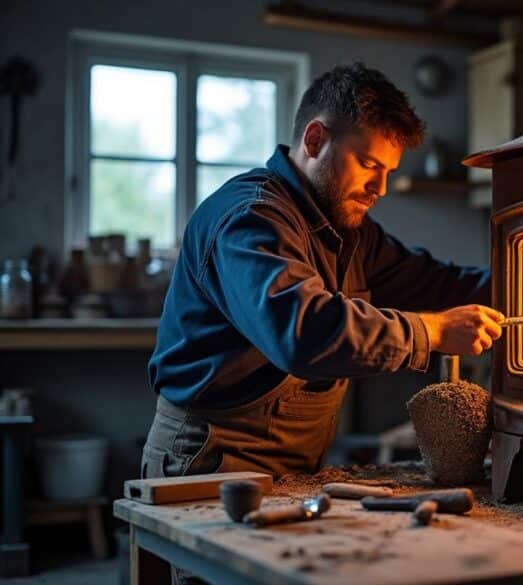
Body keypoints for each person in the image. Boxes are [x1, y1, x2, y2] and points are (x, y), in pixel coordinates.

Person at [142, 63, 503, 480]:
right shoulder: (250, 219)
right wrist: (431, 332)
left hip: (296, 465)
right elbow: (303, 332)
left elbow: (434, 284)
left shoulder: (347, 232)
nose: (380, 188)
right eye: (369, 164)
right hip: (210, 459)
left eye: (388, 172)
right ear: (315, 140)